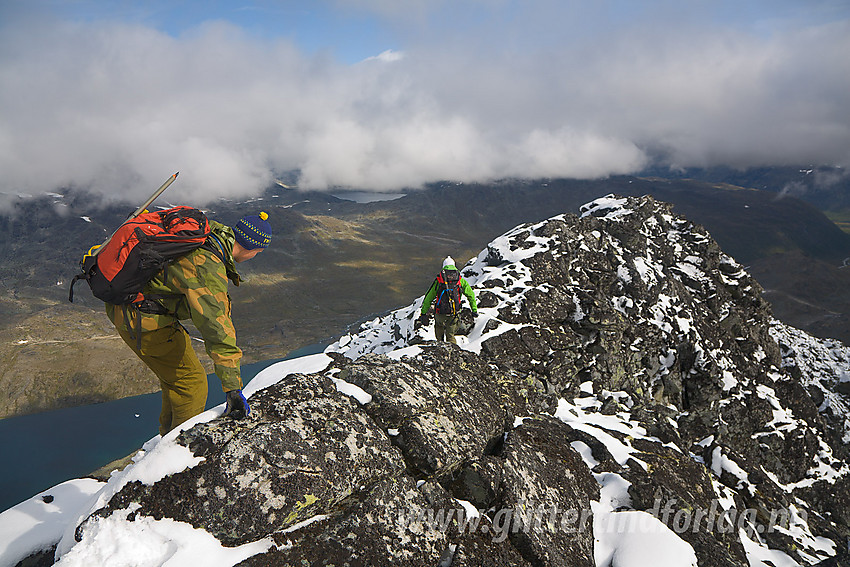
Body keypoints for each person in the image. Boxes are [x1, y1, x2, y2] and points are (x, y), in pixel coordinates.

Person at [106, 212, 272, 435]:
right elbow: (217, 329)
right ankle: (175, 450)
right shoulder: (207, 271)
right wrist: (233, 388)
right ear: (253, 250)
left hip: (132, 309)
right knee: (192, 384)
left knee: (177, 378)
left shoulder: (210, 232)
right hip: (142, 321)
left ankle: (164, 440)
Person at [418, 256, 478, 344]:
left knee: (439, 329)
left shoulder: (439, 280)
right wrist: (474, 310)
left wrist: (423, 313)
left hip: (440, 312)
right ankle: (453, 352)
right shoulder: (460, 280)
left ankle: (440, 346)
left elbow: (428, 298)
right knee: (450, 335)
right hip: (454, 312)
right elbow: (471, 295)